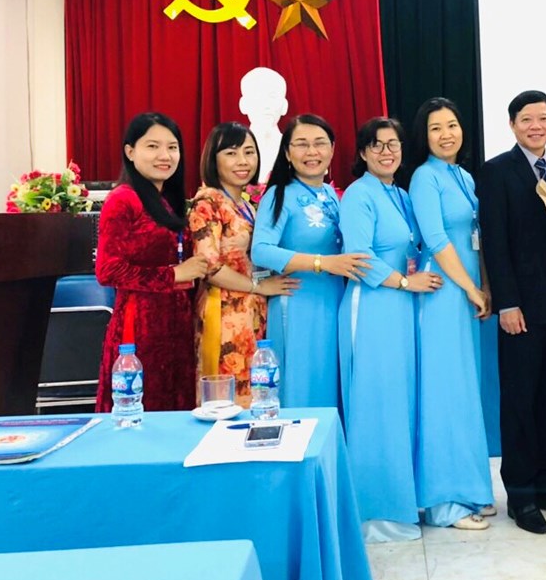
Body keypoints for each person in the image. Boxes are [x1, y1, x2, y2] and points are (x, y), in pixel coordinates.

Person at [479, 90, 546, 535]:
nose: (536, 126)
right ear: (512, 125)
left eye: (543, 118)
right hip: (522, 307)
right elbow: (495, 242)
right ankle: (521, 494)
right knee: (520, 401)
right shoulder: (496, 172)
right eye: (527, 119)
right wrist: (507, 302)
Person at [338, 117, 443, 542]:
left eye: (393, 144)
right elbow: (359, 258)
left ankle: (404, 499)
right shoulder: (358, 195)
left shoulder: (399, 195)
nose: (387, 152)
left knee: (399, 403)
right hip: (372, 306)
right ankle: (376, 514)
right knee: (375, 405)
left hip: (400, 309)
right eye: (377, 145)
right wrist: (404, 282)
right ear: (363, 152)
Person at [407, 98, 495, 532]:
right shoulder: (424, 177)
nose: (446, 134)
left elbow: (476, 236)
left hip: (465, 291)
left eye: (452, 125)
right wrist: (470, 288)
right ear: (423, 137)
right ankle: (444, 502)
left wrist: (484, 286)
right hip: (442, 292)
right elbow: (437, 239)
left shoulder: (463, 176)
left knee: (463, 391)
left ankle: (471, 489)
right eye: (436, 128)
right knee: (444, 392)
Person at [251, 114, 370, 408]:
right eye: (302, 144)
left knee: (331, 385)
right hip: (299, 305)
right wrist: (322, 263)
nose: (312, 152)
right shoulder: (278, 195)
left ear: (332, 148)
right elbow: (261, 250)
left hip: (334, 301)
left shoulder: (330, 193)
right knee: (304, 387)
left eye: (319, 143)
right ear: (287, 153)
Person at [95, 112, 209, 412]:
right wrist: (174, 275)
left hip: (176, 323)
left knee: (176, 407)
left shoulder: (167, 201)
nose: (165, 156)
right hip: (139, 325)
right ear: (130, 151)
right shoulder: (122, 200)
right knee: (141, 409)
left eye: (172, 147)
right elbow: (107, 270)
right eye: (152, 146)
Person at [189, 123, 298, 408]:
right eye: (231, 153)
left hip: (252, 310)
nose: (243, 161)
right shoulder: (208, 202)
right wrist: (258, 286)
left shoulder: (246, 204)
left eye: (249, 152)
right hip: (224, 311)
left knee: (256, 392)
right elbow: (209, 266)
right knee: (226, 399)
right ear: (213, 159)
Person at [239, 66, 289, 183]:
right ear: (243, 104)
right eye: (257, 96)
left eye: (272, 96)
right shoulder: (232, 149)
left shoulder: (293, 148)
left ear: (284, 105)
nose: (266, 105)